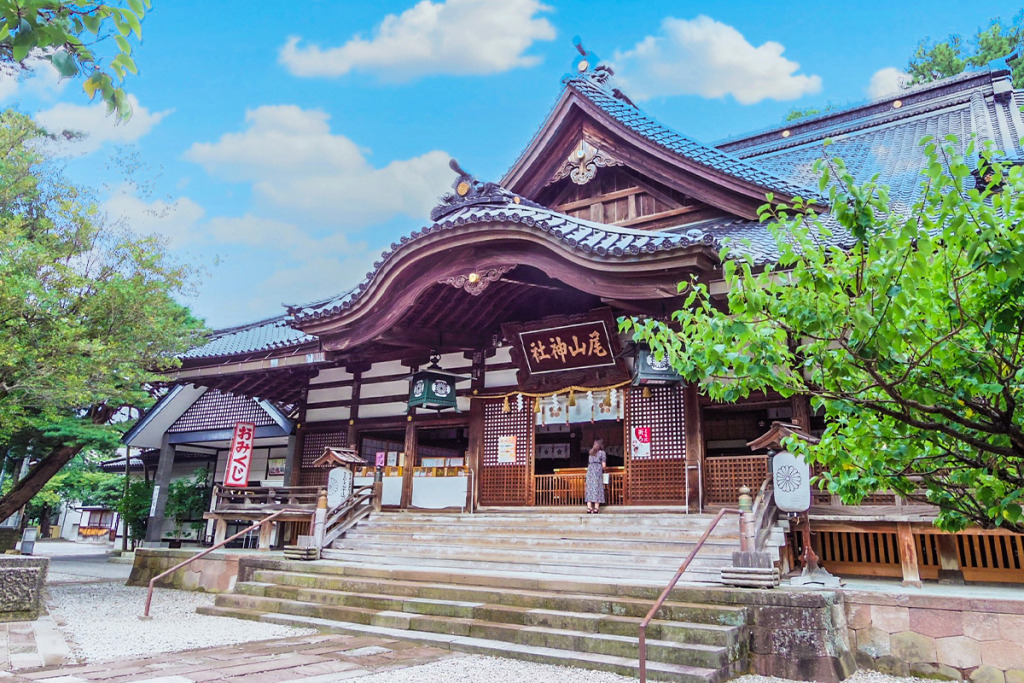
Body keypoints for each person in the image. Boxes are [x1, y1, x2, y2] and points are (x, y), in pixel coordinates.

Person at [585, 438, 607, 514]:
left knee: (589, 488)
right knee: (597, 488)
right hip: (597, 470)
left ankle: (589, 508)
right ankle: (596, 508)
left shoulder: (591, 452)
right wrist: (605, 470)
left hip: (590, 470)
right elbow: (604, 465)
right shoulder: (602, 453)